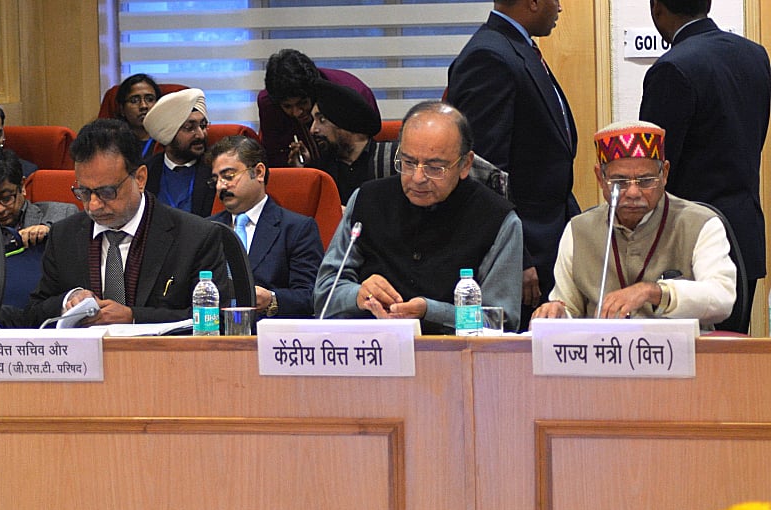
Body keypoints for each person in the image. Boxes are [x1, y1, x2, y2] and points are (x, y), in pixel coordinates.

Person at [313, 102, 523, 334]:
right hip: (371, 345)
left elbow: (501, 320)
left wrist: (430, 312)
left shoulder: (497, 219)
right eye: (409, 162)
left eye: (435, 167)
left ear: (465, 164)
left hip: (454, 352)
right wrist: (357, 296)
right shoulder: (366, 199)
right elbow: (323, 294)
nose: (418, 178)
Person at [446, 0, 578, 330]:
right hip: (523, 247)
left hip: (550, 238)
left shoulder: (516, 48)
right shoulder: (488, 56)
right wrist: (516, 257)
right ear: (533, 2)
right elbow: (483, 171)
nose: (560, 7)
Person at [639, 0, 771, 331]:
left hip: (690, 245)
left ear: (656, 8)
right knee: (730, 354)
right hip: (744, 234)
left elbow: (653, 170)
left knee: (685, 358)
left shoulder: (672, 68)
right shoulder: (755, 56)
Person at [24, 119, 232, 328]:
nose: (93, 205)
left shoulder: (195, 237)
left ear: (140, 178)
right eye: (84, 192)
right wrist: (68, 299)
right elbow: (33, 313)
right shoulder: (64, 235)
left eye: (107, 192)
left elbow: (217, 319)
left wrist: (134, 317)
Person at [531, 121, 736, 329]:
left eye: (646, 181)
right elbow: (568, 308)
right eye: (619, 182)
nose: (633, 193)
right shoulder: (579, 230)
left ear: (664, 174)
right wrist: (556, 312)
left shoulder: (700, 223)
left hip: (679, 348)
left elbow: (722, 297)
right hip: (602, 347)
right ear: (600, 178)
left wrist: (653, 292)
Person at [207, 136, 324, 318]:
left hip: (269, 330)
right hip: (213, 329)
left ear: (259, 172)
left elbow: (312, 296)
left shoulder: (297, 229)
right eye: (216, 179)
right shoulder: (207, 229)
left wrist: (272, 299)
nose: (220, 186)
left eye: (228, 176)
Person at [0, 147, 78, 316]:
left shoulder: (60, 213)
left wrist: (50, 232)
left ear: (22, 186)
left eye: (6, 198)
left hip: (45, 315)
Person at [259, 48, 380, 168]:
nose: (297, 112)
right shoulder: (269, 103)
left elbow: (360, 149)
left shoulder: (350, 96)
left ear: (314, 92)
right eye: (287, 106)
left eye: (303, 102)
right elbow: (274, 157)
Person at [289, 80, 392, 204]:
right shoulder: (322, 169)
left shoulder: (389, 160)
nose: (313, 130)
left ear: (345, 123)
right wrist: (301, 171)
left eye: (322, 120)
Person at [141, 88, 215, 218]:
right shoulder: (146, 172)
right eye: (189, 128)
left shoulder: (215, 169)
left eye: (203, 126)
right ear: (168, 134)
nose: (200, 135)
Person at [114, 73, 163, 158]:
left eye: (150, 99)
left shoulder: (167, 143)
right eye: (134, 100)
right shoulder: (113, 144)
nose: (143, 106)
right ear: (122, 109)